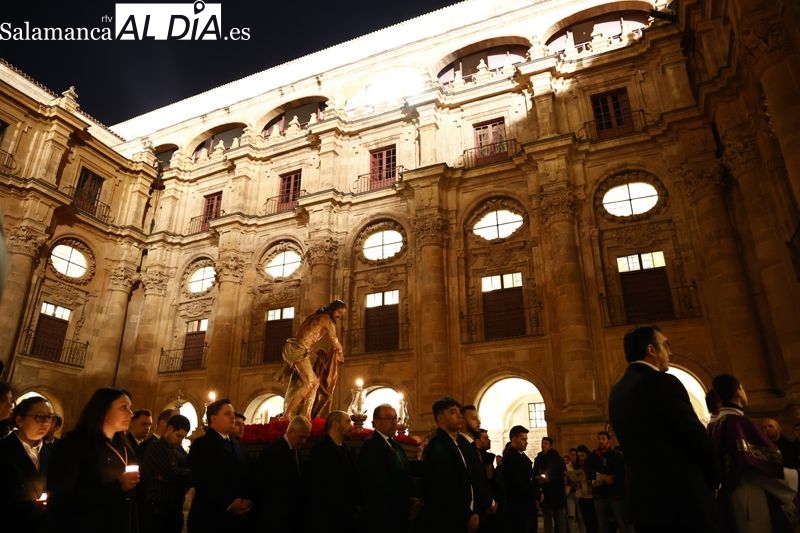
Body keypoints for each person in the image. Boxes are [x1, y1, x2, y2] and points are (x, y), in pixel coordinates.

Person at [608, 325, 717, 533]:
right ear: (651, 350)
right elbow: (694, 435)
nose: (670, 352)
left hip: (643, 500)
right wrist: (713, 479)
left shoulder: (617, 391)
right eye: (666, 346)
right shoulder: (663, 382)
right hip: (681, 498)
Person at [709, 374, 799, 532]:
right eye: (742, 388)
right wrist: (794, 476)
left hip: (731, 498)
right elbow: (758, 467)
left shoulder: (715, 426)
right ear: (738, 391)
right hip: (751, 495)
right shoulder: (738, 423)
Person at [46, 387, 141, 533]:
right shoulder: (74, 445)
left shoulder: (124, 445)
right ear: (103, 409)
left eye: (130, 408)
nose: (131, 413)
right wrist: (117, 487)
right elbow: (62, 499)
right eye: (124, 407)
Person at [187, 398, 252, 533]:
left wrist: (246, 499)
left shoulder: (236, 445)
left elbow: (245, 474)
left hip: (236, 519)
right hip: (210, 518)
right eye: (227, 413)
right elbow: (202, 480)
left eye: (233, 413)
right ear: (214, 418)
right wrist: (228, 503)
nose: (233, 417)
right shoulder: (201, 445)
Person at [276, 300, 347, 419]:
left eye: (342, 314)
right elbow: (334, 341)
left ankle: (306, 415)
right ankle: (287, 414)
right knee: (311, 382)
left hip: (295, 348)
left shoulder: (314, 316)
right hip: (298, 350)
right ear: (333, 309)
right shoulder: (328, 321)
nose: (339, 316)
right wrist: (340, 351)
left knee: (315, 383)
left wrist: (316, 353)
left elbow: (306, 335)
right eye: (339, 312)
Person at [358, 403, 419, 533]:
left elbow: (405, 473)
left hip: (400, 512)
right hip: (382, 514)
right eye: (388, 418)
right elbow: (376, 481)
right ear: (376, 422)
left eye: (395, 418)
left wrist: (413, 497)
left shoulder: (397, 446)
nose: (393, 422)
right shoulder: (371, 445)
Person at [421, 396, 479, 532]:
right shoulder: (438, 444)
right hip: (450, 519)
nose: (460, 416)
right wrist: (466, 515)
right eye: (453, 412)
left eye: (459, 412)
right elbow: (446, 485)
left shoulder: (453, 442)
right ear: (440, 418)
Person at [0, 395, 55, 532]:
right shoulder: (3, 449)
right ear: (19, 420)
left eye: (49, 417)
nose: (45, 423)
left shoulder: (55, 453)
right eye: (39, 416)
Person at [252, 414, 311, 533]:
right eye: (301, 437)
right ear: (292, 431)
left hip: (292, 517)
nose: (304, 441)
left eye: (306, 438)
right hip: (276, 517)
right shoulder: (272, 452)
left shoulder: (296, 452)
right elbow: (262, 485)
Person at [140, 414, 192, 533]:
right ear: (169, 429)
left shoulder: (179, 449)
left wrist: (180, 474)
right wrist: (178, 474)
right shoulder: (155, 448)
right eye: (178, 436)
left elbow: (189, 470)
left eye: (183, 438)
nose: (180, 441)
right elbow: (171, 473)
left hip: (175, 509)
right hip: (157, 511)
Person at [309, 410, 359, 531]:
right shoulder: (320, 450)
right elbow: (317, 487)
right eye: (347, 422)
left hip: (347, 516)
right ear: (335, 425)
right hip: (327, 518)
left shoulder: (347, 449)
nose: (351, 426)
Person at [582, 431, 629, 533]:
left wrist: (611, 478)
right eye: (599, 439)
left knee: (621, 523)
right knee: (603, 525)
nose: (601, 441)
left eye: (603, 438)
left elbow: (620, 472)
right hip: (600, 495)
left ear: (608, 440)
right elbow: (588, 469)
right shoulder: (593, 456)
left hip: (615, 494)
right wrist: (601, 476)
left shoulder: (616, 456)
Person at [502, 425, 539, 533]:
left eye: (526, 439)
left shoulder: (521, 456)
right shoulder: (511, 458)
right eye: (523, 439)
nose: (526, 442)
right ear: (514, 439)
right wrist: (536, 493)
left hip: (527, 506)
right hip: (520, 508)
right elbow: (519, 483)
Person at [533, 436, 567, 533]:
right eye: (542, 443)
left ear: (551, 446)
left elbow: (562, 474)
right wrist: (538, 479)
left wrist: (550, 479)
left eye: (546, 443)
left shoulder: (557, 458)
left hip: (557, 492)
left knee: (560, 520)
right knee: (547, 519)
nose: (543, 445)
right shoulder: (538, 458)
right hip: (545, 493)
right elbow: (535, 473)